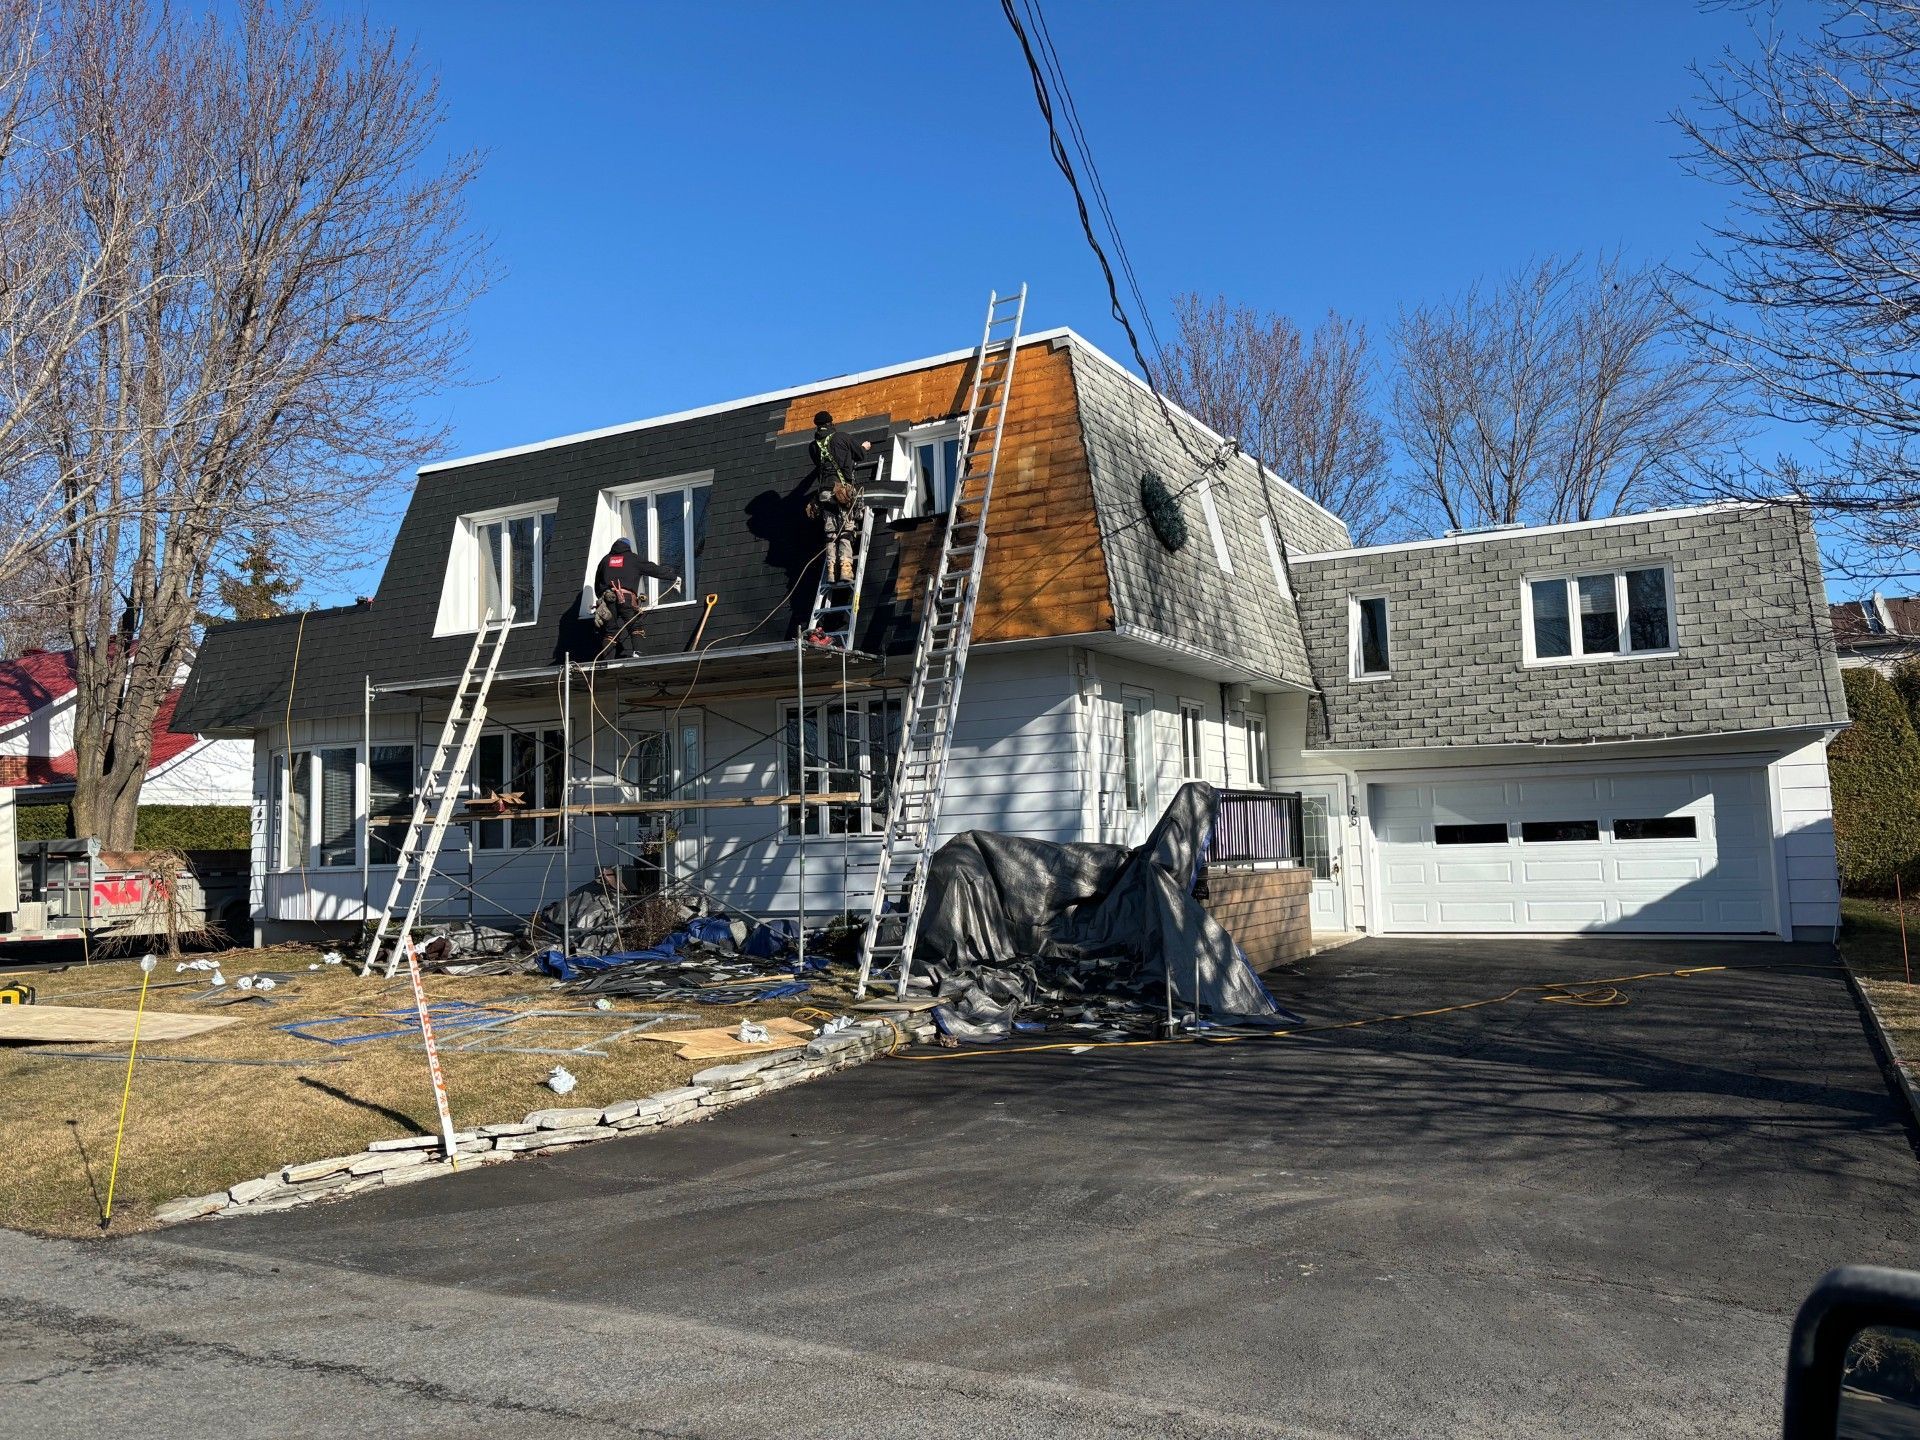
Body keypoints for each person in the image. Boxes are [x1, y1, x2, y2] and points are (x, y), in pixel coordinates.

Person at [805, 410, 871, 587]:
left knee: (830, 533)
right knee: (846, 530)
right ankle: (845, 569)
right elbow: (859, 454)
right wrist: (864, 447)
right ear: (831, 422)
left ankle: (830, 571)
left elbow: (820, 465)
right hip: (842, 492)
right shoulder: (841, 437)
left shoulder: (813, 446)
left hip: (824, 494)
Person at [593, 537, 678, 659]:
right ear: (628, 547)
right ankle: (639, 653)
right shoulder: (633, 559)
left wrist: (602, 596)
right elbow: (653, 569)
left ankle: (607, 660)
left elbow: (598, 584)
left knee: (610, 631)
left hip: (608, 600)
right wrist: (673, 577)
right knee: (635, 626)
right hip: (626, 599)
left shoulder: (605, 560)